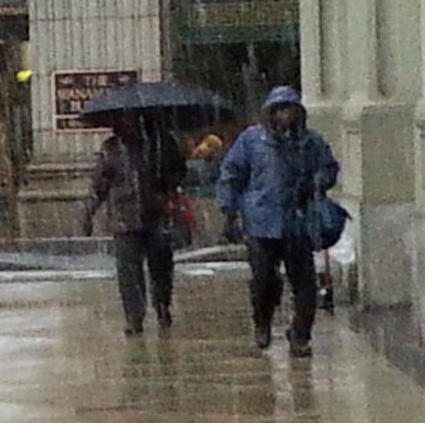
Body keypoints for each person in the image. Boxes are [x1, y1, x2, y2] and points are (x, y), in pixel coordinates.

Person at [217, 86, 339, 357]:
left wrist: (318, 182)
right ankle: (262, 321)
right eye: (280, 110)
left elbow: (329, 167)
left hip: (297, 224)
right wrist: (229, 210)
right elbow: (232, 173)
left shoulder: (310, 142)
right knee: (263, 280)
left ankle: (300, 334)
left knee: (305, 285)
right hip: (261, 224)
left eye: (290, 109)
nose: (285, 115)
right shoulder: (251, 140)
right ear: (270, 113)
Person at [83, 111, 187, 336]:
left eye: (135, 118)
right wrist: (88, 213)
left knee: (161, 266)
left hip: (157, 215)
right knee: (129, 272)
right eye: (125, 119)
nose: (130, 123)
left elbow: (179, 170)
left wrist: (167, 185)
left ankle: (162, 305)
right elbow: (99, 185)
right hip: (124, 220)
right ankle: (134, 316)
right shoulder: (110, 148)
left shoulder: (161, 143)